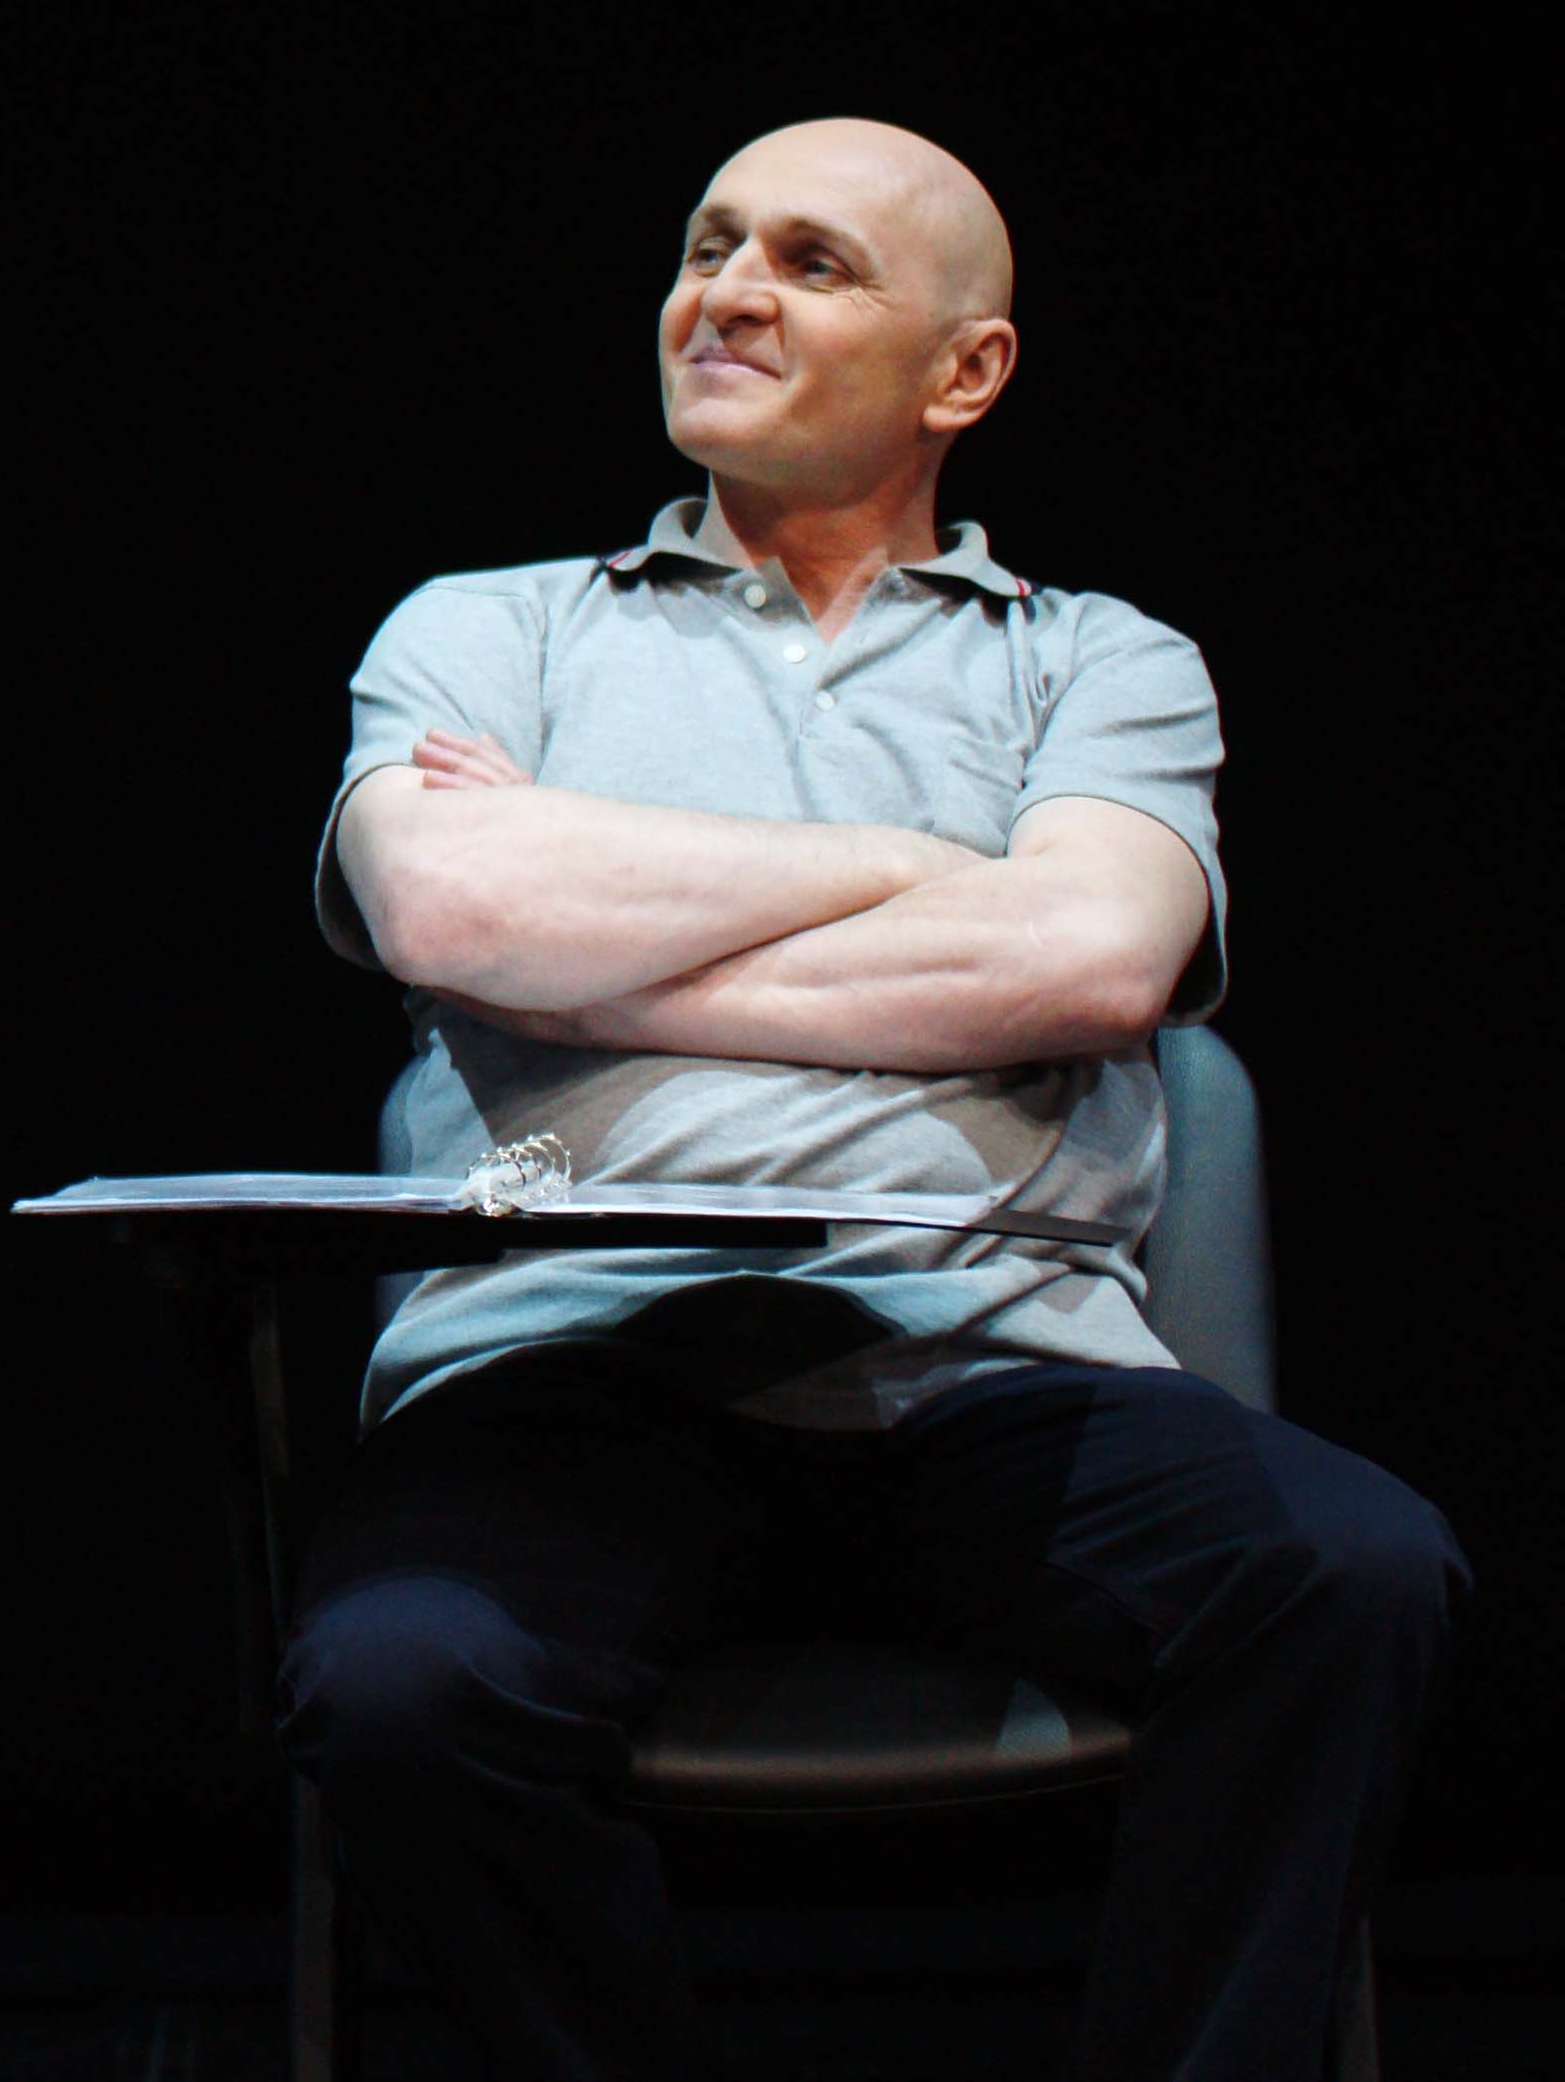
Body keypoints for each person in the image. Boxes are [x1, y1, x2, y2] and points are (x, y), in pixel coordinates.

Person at [292, 118, 1462, 2078]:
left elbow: (1094, 962)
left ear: (963, 371)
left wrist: (605, 946)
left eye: (810, 263)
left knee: (1352, 1576)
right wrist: (926, 877)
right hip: (578, 1370)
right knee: (400, 1687)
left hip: (995, 1369)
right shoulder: (489, 629)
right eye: (708, 245)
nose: (726, 294)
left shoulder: (1099, 663)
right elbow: (451, 907)